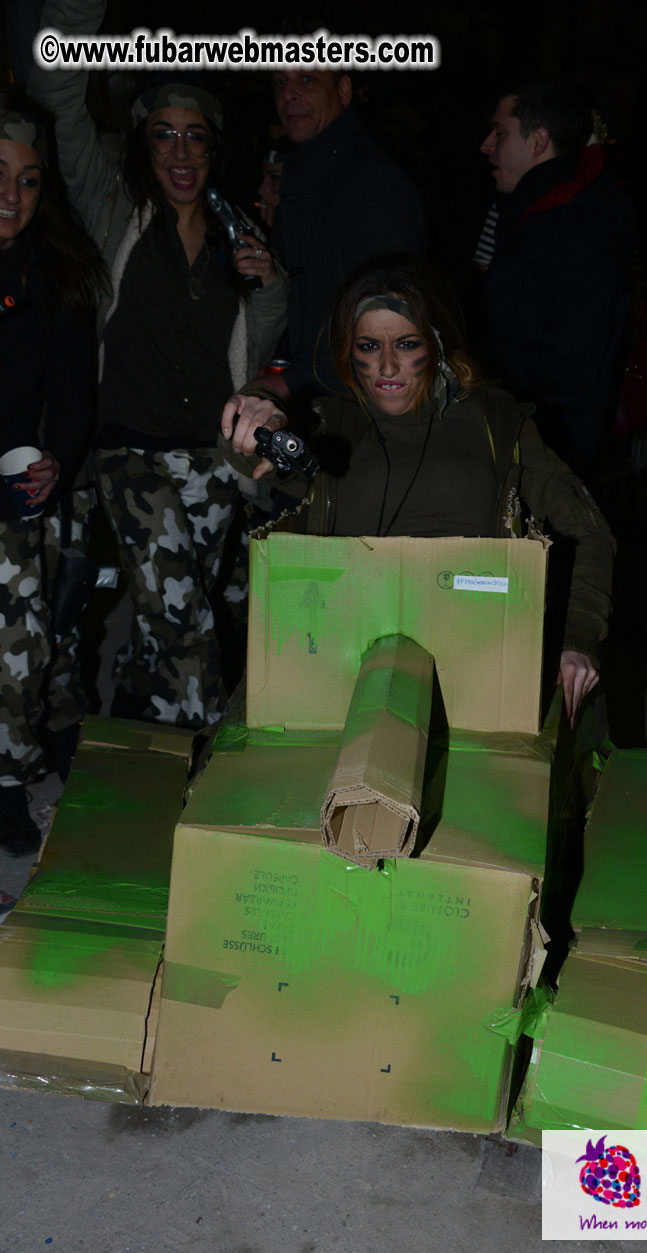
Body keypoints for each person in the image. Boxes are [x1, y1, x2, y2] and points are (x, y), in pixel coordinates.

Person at [30, 0, 288, 727]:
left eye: (195, 137)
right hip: (130, 451)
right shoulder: (111, 206)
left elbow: (260, 344)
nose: (180, 152)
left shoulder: (237, 231)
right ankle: (203, 759)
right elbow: (59, 96)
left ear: (213, 148)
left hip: (212, 458)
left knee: (164, 615)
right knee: (183, 620)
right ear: (143, 143)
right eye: (164, 135)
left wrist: (271, 283)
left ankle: (132, 727)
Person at [221, 255, 614, 725]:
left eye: (406, 344)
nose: (387, 366)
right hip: (343, 655)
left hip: (474, 656)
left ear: (437, 342)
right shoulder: (334, 427)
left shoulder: (496, 423)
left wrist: (578, 639)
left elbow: (588, 531)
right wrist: (256, 415)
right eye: (369, 346)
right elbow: (249, 451)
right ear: (349, 351)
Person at [0, 99, 105, 855]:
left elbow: (73, 399)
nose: (12, 196)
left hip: (12, 488)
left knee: (20, 637)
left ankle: (9, 779)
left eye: (29, 180)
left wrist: (57, 459)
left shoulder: (57, 277)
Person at [479, 80, 634, 481]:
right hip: (529, 428)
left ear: (538, 141)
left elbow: (573, 361)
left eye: (500, 133)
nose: (486, 145)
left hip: (551, 445)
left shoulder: (577, 224)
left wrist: (483, 371)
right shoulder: (537, 208)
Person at [264, 68, 426, 401]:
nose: (288, 94)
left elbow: (390, 321)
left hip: (361, 403)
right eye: (280, 82)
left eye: (307, 79)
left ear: (344, 90)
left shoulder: (371, 182)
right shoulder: (308, 175)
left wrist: (295, 382)